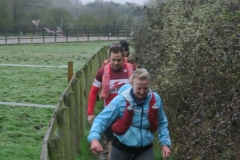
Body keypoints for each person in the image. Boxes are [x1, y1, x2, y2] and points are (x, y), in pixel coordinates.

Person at [88, 69, 171, 160]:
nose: (142, 92)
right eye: (139, 88)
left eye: (145, 88)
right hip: (121, 147)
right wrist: (94, 138)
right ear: (132, 85)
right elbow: (102, 119)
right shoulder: (120, 100)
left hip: (145, 149)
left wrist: (165, 144)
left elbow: (162, 121)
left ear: (149, 85)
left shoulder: (155, 99)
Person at [87, 45, 135, 158]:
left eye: (119, 60)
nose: (116, 63)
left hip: (129, 113)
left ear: (124, 58)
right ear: (109, 58)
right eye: (113, 60)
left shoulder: (131, 69)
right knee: (112, 144)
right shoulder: (103, 72)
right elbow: (93, 92)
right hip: (111, 114)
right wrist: (90, 113)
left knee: (130, 145)